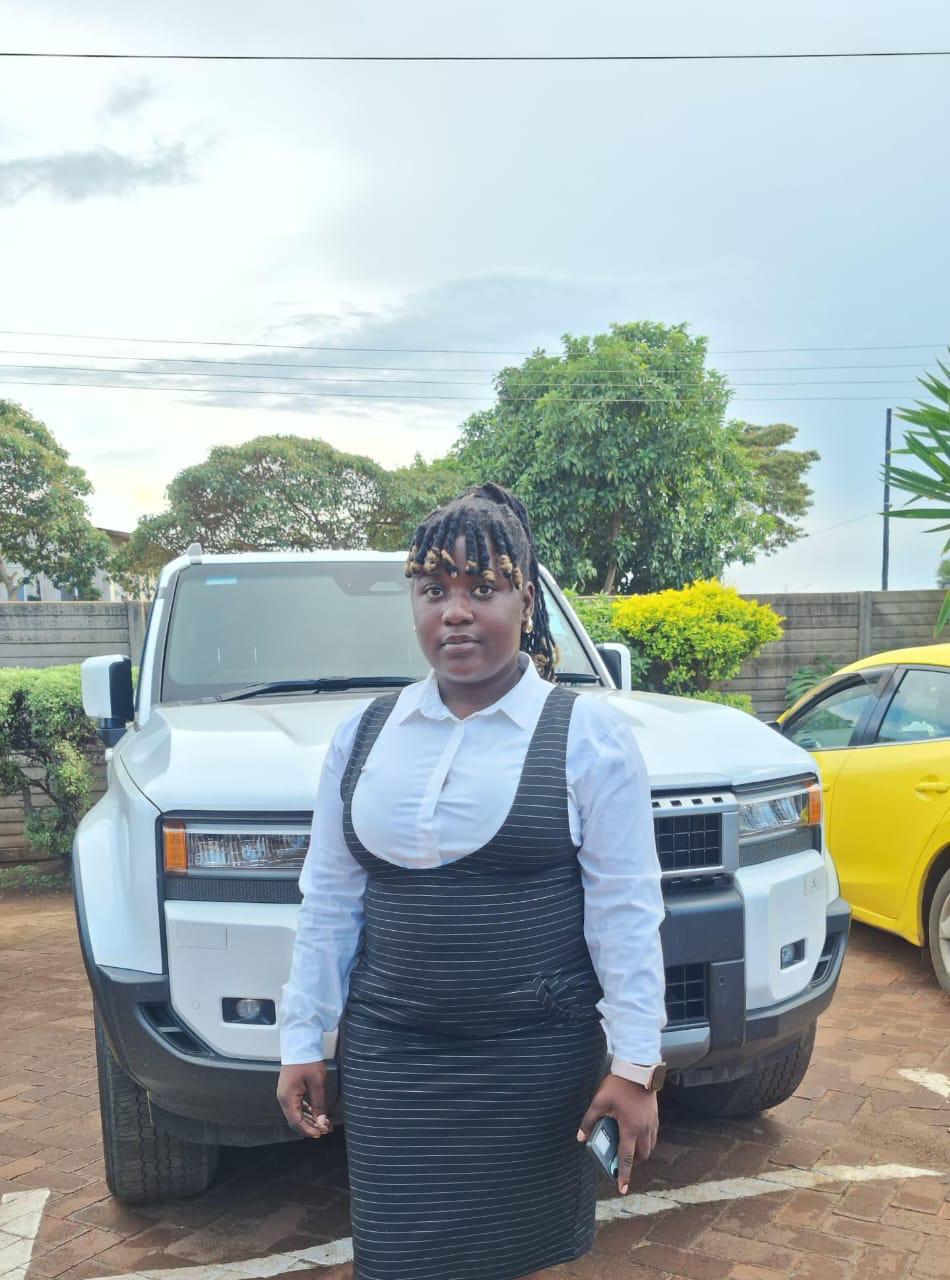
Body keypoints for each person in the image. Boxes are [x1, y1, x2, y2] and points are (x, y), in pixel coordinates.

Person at [277, 482, 666, 1280]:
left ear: (525, 599)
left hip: (534, 1066)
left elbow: (626, 915)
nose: (454, 611)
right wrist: (299, 1039)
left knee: (523, 1258)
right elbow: (330, 903)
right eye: (433, 590)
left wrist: (634, 1069)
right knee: (393, 1255)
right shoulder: (363, 737)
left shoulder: (588, 736)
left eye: (482, 589)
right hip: (393, 1058)